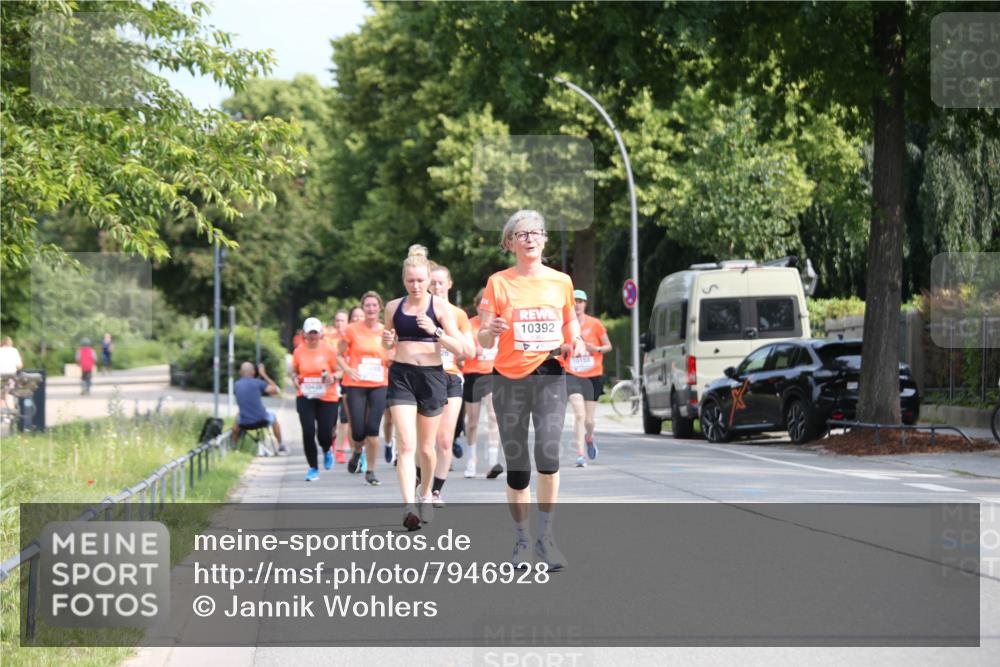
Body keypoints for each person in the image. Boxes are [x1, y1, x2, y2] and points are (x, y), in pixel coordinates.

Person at [477, 209, 585, 570]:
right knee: (518, 466)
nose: (529, 238)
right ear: (509, 243)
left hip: (550, 373)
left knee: (549, 453)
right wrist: (490, 331)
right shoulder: (498, 282)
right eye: (521, 234)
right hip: (508, 378)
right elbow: (482, 332)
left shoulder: (561, 281)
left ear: (544, 239)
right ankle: (522, 540)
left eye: (535, 232)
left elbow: (569, 319)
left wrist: (578, 340)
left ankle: (546, 538)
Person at [383, 245, 470, 530]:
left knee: (427, 448)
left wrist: (436, 331)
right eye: (411, 280)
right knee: (406, 445)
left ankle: (425, 495)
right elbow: (388, 346)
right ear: (404, 280)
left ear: (429, 278)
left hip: (433, 376)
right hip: (401, 376)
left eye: (421, 280)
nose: (416, 285)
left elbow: (461, 349)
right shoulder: (393, 307)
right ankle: (409, 506)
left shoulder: (441, 307)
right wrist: (387, 342)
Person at [426, 263, 475, 506]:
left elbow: (469, 350)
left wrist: (452, 342)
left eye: (440, 283)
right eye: (432, 283)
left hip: (451, 376)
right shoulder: (419, 312)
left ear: (449, 284)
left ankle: (436, 490)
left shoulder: (458, 315)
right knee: (425, 441)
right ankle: (420, 482)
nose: (436, 287)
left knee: (445, 440)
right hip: (424, 377)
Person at [338, 293, 390, 486]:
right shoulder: (351, 330)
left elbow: (391, 354)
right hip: (356, 385)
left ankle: (371, 471)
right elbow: (339, 355)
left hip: (379, 384)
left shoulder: (385, 331)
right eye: (367, 305)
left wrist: (391, 353)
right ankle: (357, 451)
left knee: (373, 431)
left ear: (380, 308)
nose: (370, 309)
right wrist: (348, 370)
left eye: (374, 305)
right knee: (358, 431)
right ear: (363, 308)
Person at [564, 289, 612, 467]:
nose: (577, 304)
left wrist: (596, 349)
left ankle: (589, 437)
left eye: (580, 301)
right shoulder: (566, 325)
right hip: (573, 374)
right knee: (579, 413)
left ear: (585, 304)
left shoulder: (595, 324)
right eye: (574, 301)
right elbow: (560, 346)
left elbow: (608, 346)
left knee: (589, 420)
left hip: (593, 375)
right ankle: (580, 454)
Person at [292, 317, 341, 481]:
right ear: (304, 334)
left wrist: (332, 377)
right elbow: (294, 371)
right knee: (308, 432)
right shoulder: (299, 351)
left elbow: (341, 371)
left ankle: (327, 449)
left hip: (327, 396)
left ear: (321, 333)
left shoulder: (329, 350)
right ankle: (313, 468)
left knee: (324, 434)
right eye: (309, 333)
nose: (312, 336)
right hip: (305, 395)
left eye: (315, 333)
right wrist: (294, 378)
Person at [461, 289, 503, 479]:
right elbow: (460, 353)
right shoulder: (469, 325)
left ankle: (493, 461)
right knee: (472, 422)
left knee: (494, 416)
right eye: (480, 307)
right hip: (472, 374)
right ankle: (471, 459)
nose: (483, 311)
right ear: (476, 306)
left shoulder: (498, 324)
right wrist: (472, 351)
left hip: (493, 374)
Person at [232, 361, 285, 453]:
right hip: (261, 420)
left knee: (237, 419)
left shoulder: (236, 385)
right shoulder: (258, 383)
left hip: (244, 422)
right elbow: (276, 390)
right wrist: (263, 374)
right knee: (274, 417)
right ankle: (280, 445)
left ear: (240, 372)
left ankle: (233, 447)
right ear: (253, 372)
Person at [328, 310, 353, 464]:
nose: (339, 324)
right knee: (331, 420)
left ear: (347, 322)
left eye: (342, 321)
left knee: (344, 418)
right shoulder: (328, 340)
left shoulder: (351, 339)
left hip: (346, 382)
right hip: (329, 384)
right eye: (337, 321)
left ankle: (340, 450)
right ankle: (332, 443)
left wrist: (341, 373)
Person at [0, 336, 24, 405]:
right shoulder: (14, 350)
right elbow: (19, 366)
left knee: (1, 397)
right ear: (11, 343)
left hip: (0, 377)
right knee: (9, 396)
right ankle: (10, 413)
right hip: (10, 377)